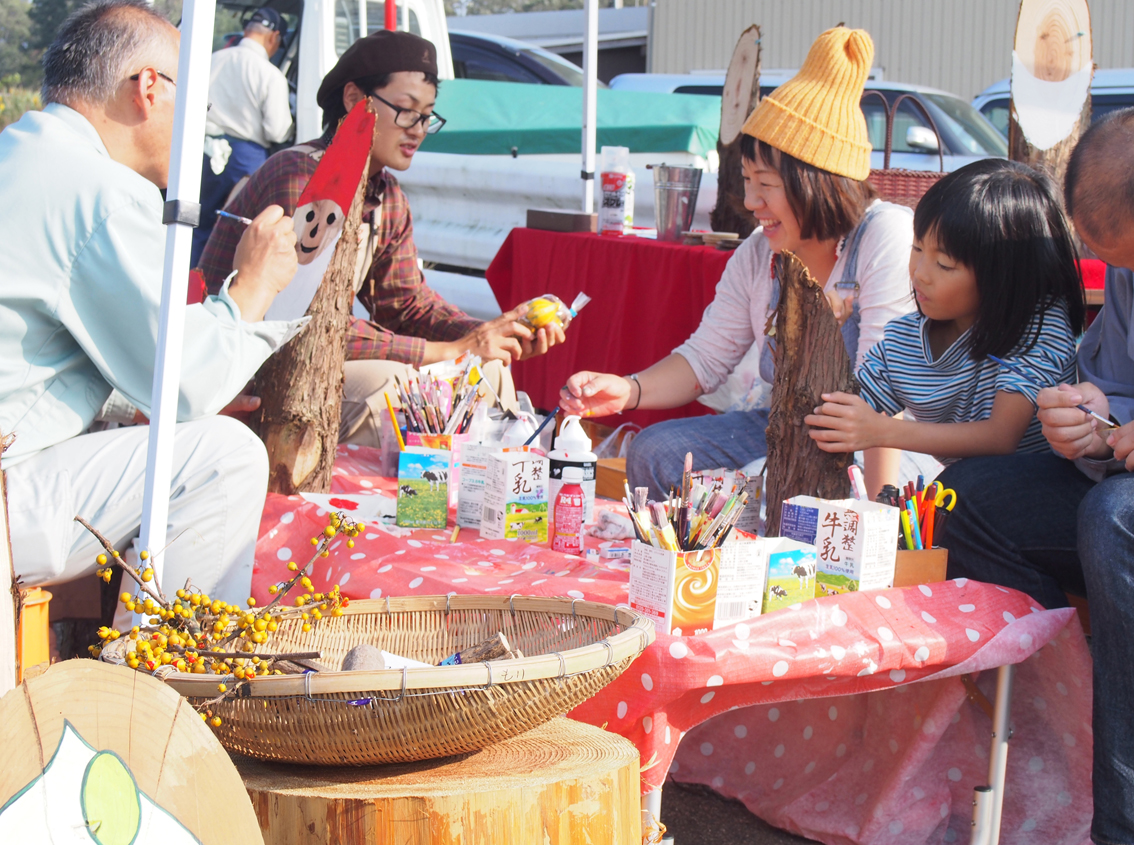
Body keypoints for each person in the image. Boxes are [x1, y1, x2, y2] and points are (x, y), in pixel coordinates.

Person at [0, 0, 301, 606]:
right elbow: (186, 384)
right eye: (200, 109)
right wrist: (253, 286)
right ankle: (167, 661)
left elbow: (38, 356)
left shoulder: (21, 149)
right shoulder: (99, 188)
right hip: (10, 488)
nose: (202, 130)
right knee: (224, 456)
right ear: (148, 88)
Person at [558, 27, 917, 498]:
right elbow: (705, 359)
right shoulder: (758, 254)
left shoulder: (884, 235)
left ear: (818, 182)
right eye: (748, 181)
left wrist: (881, 513)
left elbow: (883, 392)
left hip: (882, 440)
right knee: (655, 452)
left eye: (765, 184)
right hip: (786, 425)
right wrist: (628, 390)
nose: (751, 202)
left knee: (772, 487)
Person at [937, 107, 1134, 845]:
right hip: (1128, 491)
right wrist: (1090, 418)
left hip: (1129, 511)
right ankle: (1056, 753)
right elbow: (1115, 389)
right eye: (1120, 267)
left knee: (1117, 517)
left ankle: (1133, 833)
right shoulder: (1127, 268)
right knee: (965, 498)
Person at [199, 29, 562, 447]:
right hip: (245, 369)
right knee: (392, 387)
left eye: (427, 116)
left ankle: (494, 485)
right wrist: (445, 351)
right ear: (355, 99)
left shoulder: (387, 195)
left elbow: (406, 303)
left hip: (309, 360)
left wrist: (491, 333)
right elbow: (305, 321)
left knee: (488, 368)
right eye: (406, 111)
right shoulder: (302, 178)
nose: (418, 130)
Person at [804, 159, 1084, 476]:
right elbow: (834, 409)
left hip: (1043, 488)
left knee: (963, 480)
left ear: (1004, 275)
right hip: (967, 492)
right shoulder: (904, 341)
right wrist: (820, 333)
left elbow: (1001, 437)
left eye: (945, 264)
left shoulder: (1039, 327)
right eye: (917, 248)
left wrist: (881, 431)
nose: (920, 274)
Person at [191, 6, 294, 265]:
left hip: (204, 151)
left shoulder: (213, 59)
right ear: (274, 38)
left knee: (195, 224)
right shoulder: (270, 75)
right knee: (237, 232)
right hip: (245, 159)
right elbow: (277, 130)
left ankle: (187, 281)